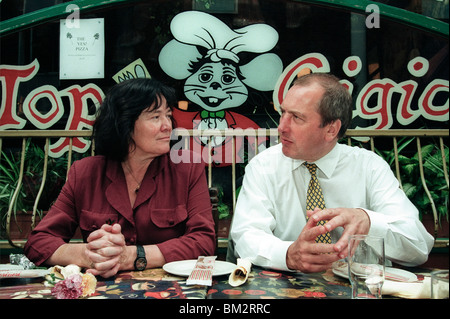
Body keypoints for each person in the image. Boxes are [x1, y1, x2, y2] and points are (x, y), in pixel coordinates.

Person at [229, 73, 434, 272]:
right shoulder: (264, 166)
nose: (281, 127)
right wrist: (288, 254)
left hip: (358, 291)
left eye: (297, 117)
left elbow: (419, 248)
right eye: (283, 113)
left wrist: (369, 222)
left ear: (331, 130)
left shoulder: (369, 167)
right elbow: (246, 236)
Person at [25, 78, 216, 278]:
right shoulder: (85, 173)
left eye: (168, 115)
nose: (168, 125)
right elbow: (38, 242)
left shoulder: (187, 169)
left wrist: (134, 256)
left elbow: (204, 242)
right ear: (125, 123)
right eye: (155, 117)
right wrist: (88, 254)